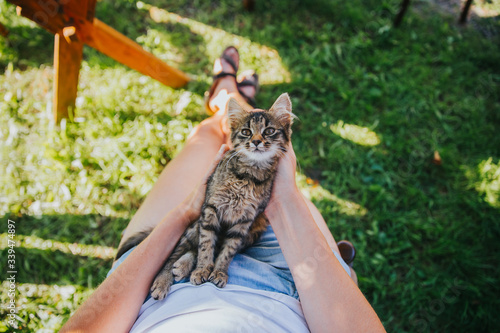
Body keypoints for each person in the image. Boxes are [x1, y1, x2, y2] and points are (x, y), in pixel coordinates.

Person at [60, 47, 386, 332]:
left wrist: (184, 213)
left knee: (207, 133)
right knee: (224, 137)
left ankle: (226, 98)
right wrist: (284, 199)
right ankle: (234, 99)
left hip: (160, 262)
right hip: (291, 276)